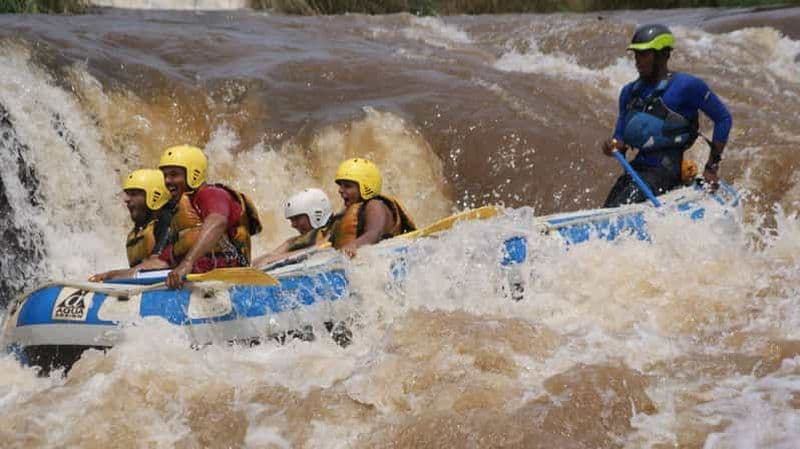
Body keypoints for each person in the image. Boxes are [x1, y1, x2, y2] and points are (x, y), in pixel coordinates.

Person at [601, 24, 732, 207]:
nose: (638, 60)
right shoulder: (629, 93)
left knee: (624, 203)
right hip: (638, 172)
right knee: (612, 207)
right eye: (636, 55)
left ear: (664, 55)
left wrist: (711, 167)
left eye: (644, 54)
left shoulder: (687, 86)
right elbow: (619, 138)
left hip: (666, 171)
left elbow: (723, 118)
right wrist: (612, 145)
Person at [157, 145, 262, 289]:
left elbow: (218, 221)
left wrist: (187, 263)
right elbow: (163, 261)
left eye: (174, 174)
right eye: (165, 175)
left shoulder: (212, 194)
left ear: (194, 174)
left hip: (232, 283)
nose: (167, 181)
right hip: (203, 283)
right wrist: (120, 275)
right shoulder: (182, 210)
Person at [89, 169, 172, 282]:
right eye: (127, 194)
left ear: (154, 196)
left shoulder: (167, 220)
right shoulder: (139, 230)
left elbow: (158, 264)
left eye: (134, 194)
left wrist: (111, 275)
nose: (127, 200)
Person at [328, 158, 416, 257]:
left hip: (387, 259)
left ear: (365, 188)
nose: (340, 190)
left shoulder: (375, 205)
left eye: (347, 186)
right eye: (340, 185)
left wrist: (354, 245)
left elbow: (375, 232)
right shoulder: (351, 211)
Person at [253, 188, 334, 268]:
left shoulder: (333, 234)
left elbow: (319, 249)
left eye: (296, 218)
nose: (293, 225)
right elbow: (271, 255)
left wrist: (270, 260)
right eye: (292, 220)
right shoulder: (295, 241)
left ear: (316, 215)